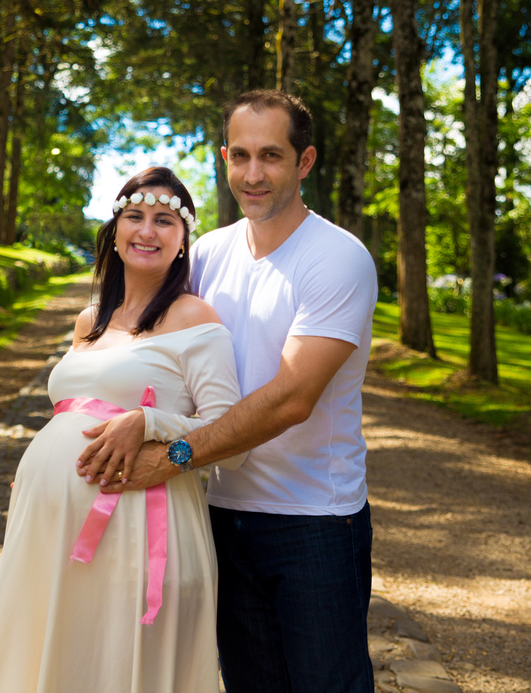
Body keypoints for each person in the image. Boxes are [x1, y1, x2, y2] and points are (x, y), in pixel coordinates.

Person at [77, 89, 379, 693]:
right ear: (223, 158)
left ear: (306, 161)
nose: (253, 173)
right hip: (215, 514)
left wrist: (170, 457)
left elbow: (292, 398)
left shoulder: (337, 259)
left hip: (314, 519)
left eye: (271, 155)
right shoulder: (208, 253)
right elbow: (144, 354)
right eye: (239, 155)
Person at [0, 166, 246, 693]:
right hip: (50, 526)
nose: (147, 230)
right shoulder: (90, 320)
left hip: (138, 529)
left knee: (116, 667)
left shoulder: (196, 318)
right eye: (134, 216)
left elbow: (231, 439)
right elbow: (74, 411)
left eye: (165, 220)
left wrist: (149, 422)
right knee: (53, 661)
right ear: (114, 234)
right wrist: (41, 467)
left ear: (184, 241)